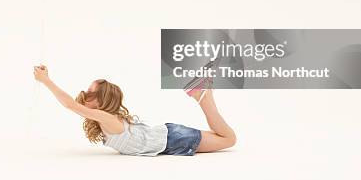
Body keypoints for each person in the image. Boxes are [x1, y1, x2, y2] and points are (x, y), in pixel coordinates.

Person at [33, 65, 236, 156]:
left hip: (173, 140)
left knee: (229, 139)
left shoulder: (106, 118)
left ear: (100, 102)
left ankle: (203, 96)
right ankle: (203, 94)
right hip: (170, 136)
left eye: (90, 93)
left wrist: (46, 81)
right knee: (225, 137)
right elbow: (74, 105)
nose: (84, 95)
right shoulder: (107, 120)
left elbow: (71, 105)